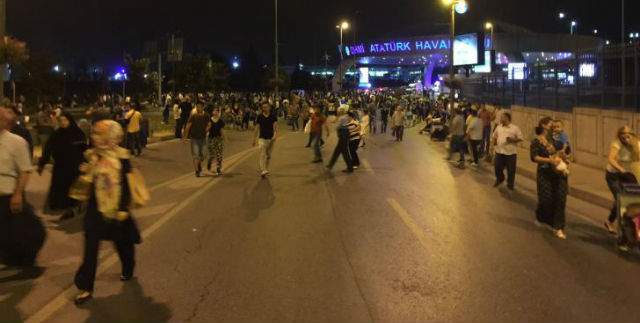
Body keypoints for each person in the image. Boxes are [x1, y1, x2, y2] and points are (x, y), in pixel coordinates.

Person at [71, 120, 143, 305]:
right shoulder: (92, 156)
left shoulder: (122, 157)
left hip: (117, 207)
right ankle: (85, 286)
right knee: (90, 248)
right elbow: (87, 180)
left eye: (99, 134)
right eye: (94, 133)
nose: (94, 137)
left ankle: (128, 266)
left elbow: (127, 184)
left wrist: (122, 208)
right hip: (96, 208)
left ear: (112, 138)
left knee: (123, 243)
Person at [0, 106, 44, 268]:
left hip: (8, 194)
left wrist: (18, 194)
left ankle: (26, 260)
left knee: (20, 231)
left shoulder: (16, 142)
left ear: (5, 122)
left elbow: (25, 170)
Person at [37, 113, 87, 219]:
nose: (63, 123)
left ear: (70, 121)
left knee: (73, 186)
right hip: (60, 165)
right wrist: (42, 163)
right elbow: (48, 149)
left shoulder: (78, 134)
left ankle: (73, 206)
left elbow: (84, 151)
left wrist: (85, 163)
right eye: (61, 121)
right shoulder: (56, 134)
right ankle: (60, 205)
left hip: (74, 165)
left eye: (65, 120)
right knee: (59, 185)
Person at [531, 118, 568, 239]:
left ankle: (558, 227)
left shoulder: (557, 139)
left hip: (558, 172)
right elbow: (534, 157)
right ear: (543, 125)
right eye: (550, 124)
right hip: (545, 172)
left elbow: (566, 151)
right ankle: (541, 216)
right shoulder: (536, 141)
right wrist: (549, 160)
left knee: (560, 199)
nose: (553, 126)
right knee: (546, 199)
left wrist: (564, 154)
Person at [604, 126, 640, 234]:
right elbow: (611, 159)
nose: (625, 140)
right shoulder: (617, 144)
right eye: (622, 138)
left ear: (632, 135)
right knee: (620, 199)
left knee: (632, 199)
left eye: (627, 137)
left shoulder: (637, 144)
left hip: (628, 175)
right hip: (613, 175)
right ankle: (623, 233)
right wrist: (621, 169)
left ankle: (610, 221)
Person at [492, 112, 523, 191]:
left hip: (510, 153)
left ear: (506, 118)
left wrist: (512, 140)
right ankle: (500, 178)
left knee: (511, 170)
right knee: (497, 167)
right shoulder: (499, 127)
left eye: (502, 117)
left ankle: (510, 185)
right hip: (499, 152)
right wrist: (494, 145)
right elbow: (494, 136)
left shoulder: (515, 128)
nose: (500, 119)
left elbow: (520, 138)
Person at [183, 103, 210, 177]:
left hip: (203, 138)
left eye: (200, 107)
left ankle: (198, 164)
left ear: (203, 107)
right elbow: (188, 126)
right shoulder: (193, 116)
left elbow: (209, 124)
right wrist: (185, 137)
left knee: (204, 155)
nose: (198, 108)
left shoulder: (206, 116)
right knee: (195, 155)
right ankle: (197, 171)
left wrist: (207, 129)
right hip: (194, 138)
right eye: (197, 107)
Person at [254, 103, 278, 178]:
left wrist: (275, 135)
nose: (265, 108)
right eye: (263, 107)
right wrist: (254, 139)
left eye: (266, 107)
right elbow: (257, 128)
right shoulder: (260, 117)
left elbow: (275, 127)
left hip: (270, 139)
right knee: (262, 153)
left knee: (268, 155)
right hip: (262, 138)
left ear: (269, 108)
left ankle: (265, 169)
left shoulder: (273, 117)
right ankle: (263, 170)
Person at [327, 106, 353, 173]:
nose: (338, 112)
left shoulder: (342, 117)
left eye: (339, 111)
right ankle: (330, 165)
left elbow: (337, 126)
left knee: (344, 152)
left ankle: (350, 168)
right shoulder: (345, 116)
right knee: (338, 151)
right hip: (344, 134)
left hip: (343, 134)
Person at [206, 107, 226, 176]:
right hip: (211, 139)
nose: (216, 112)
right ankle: (209, 162)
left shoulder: (220, 121)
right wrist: (208, 127)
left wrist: (224, 138)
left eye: (217, 111)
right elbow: (206, 130)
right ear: (212, 112)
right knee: (212, 155)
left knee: (219, 154)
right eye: (215, 110)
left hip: (218, 139)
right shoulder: (209, 120)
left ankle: (218, 168)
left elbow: (222, 130)